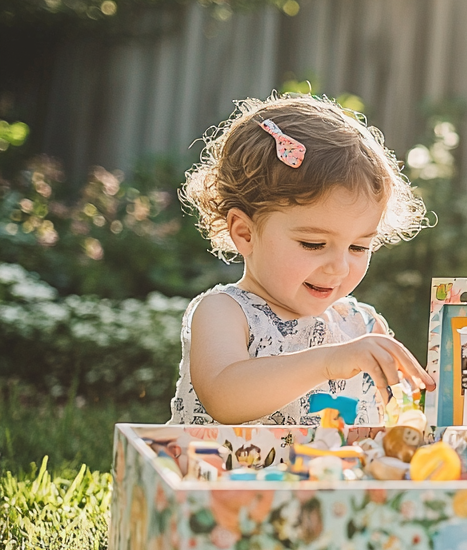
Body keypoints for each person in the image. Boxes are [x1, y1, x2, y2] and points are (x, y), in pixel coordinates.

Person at [169, 94, 434, 426]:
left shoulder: (362, 327)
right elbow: (223, 399)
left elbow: (397, 418)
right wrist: (328, 361)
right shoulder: (226, 312)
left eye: (358, 247)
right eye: (313, 244)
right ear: (245, 233)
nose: (339, 267)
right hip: (222, 474)